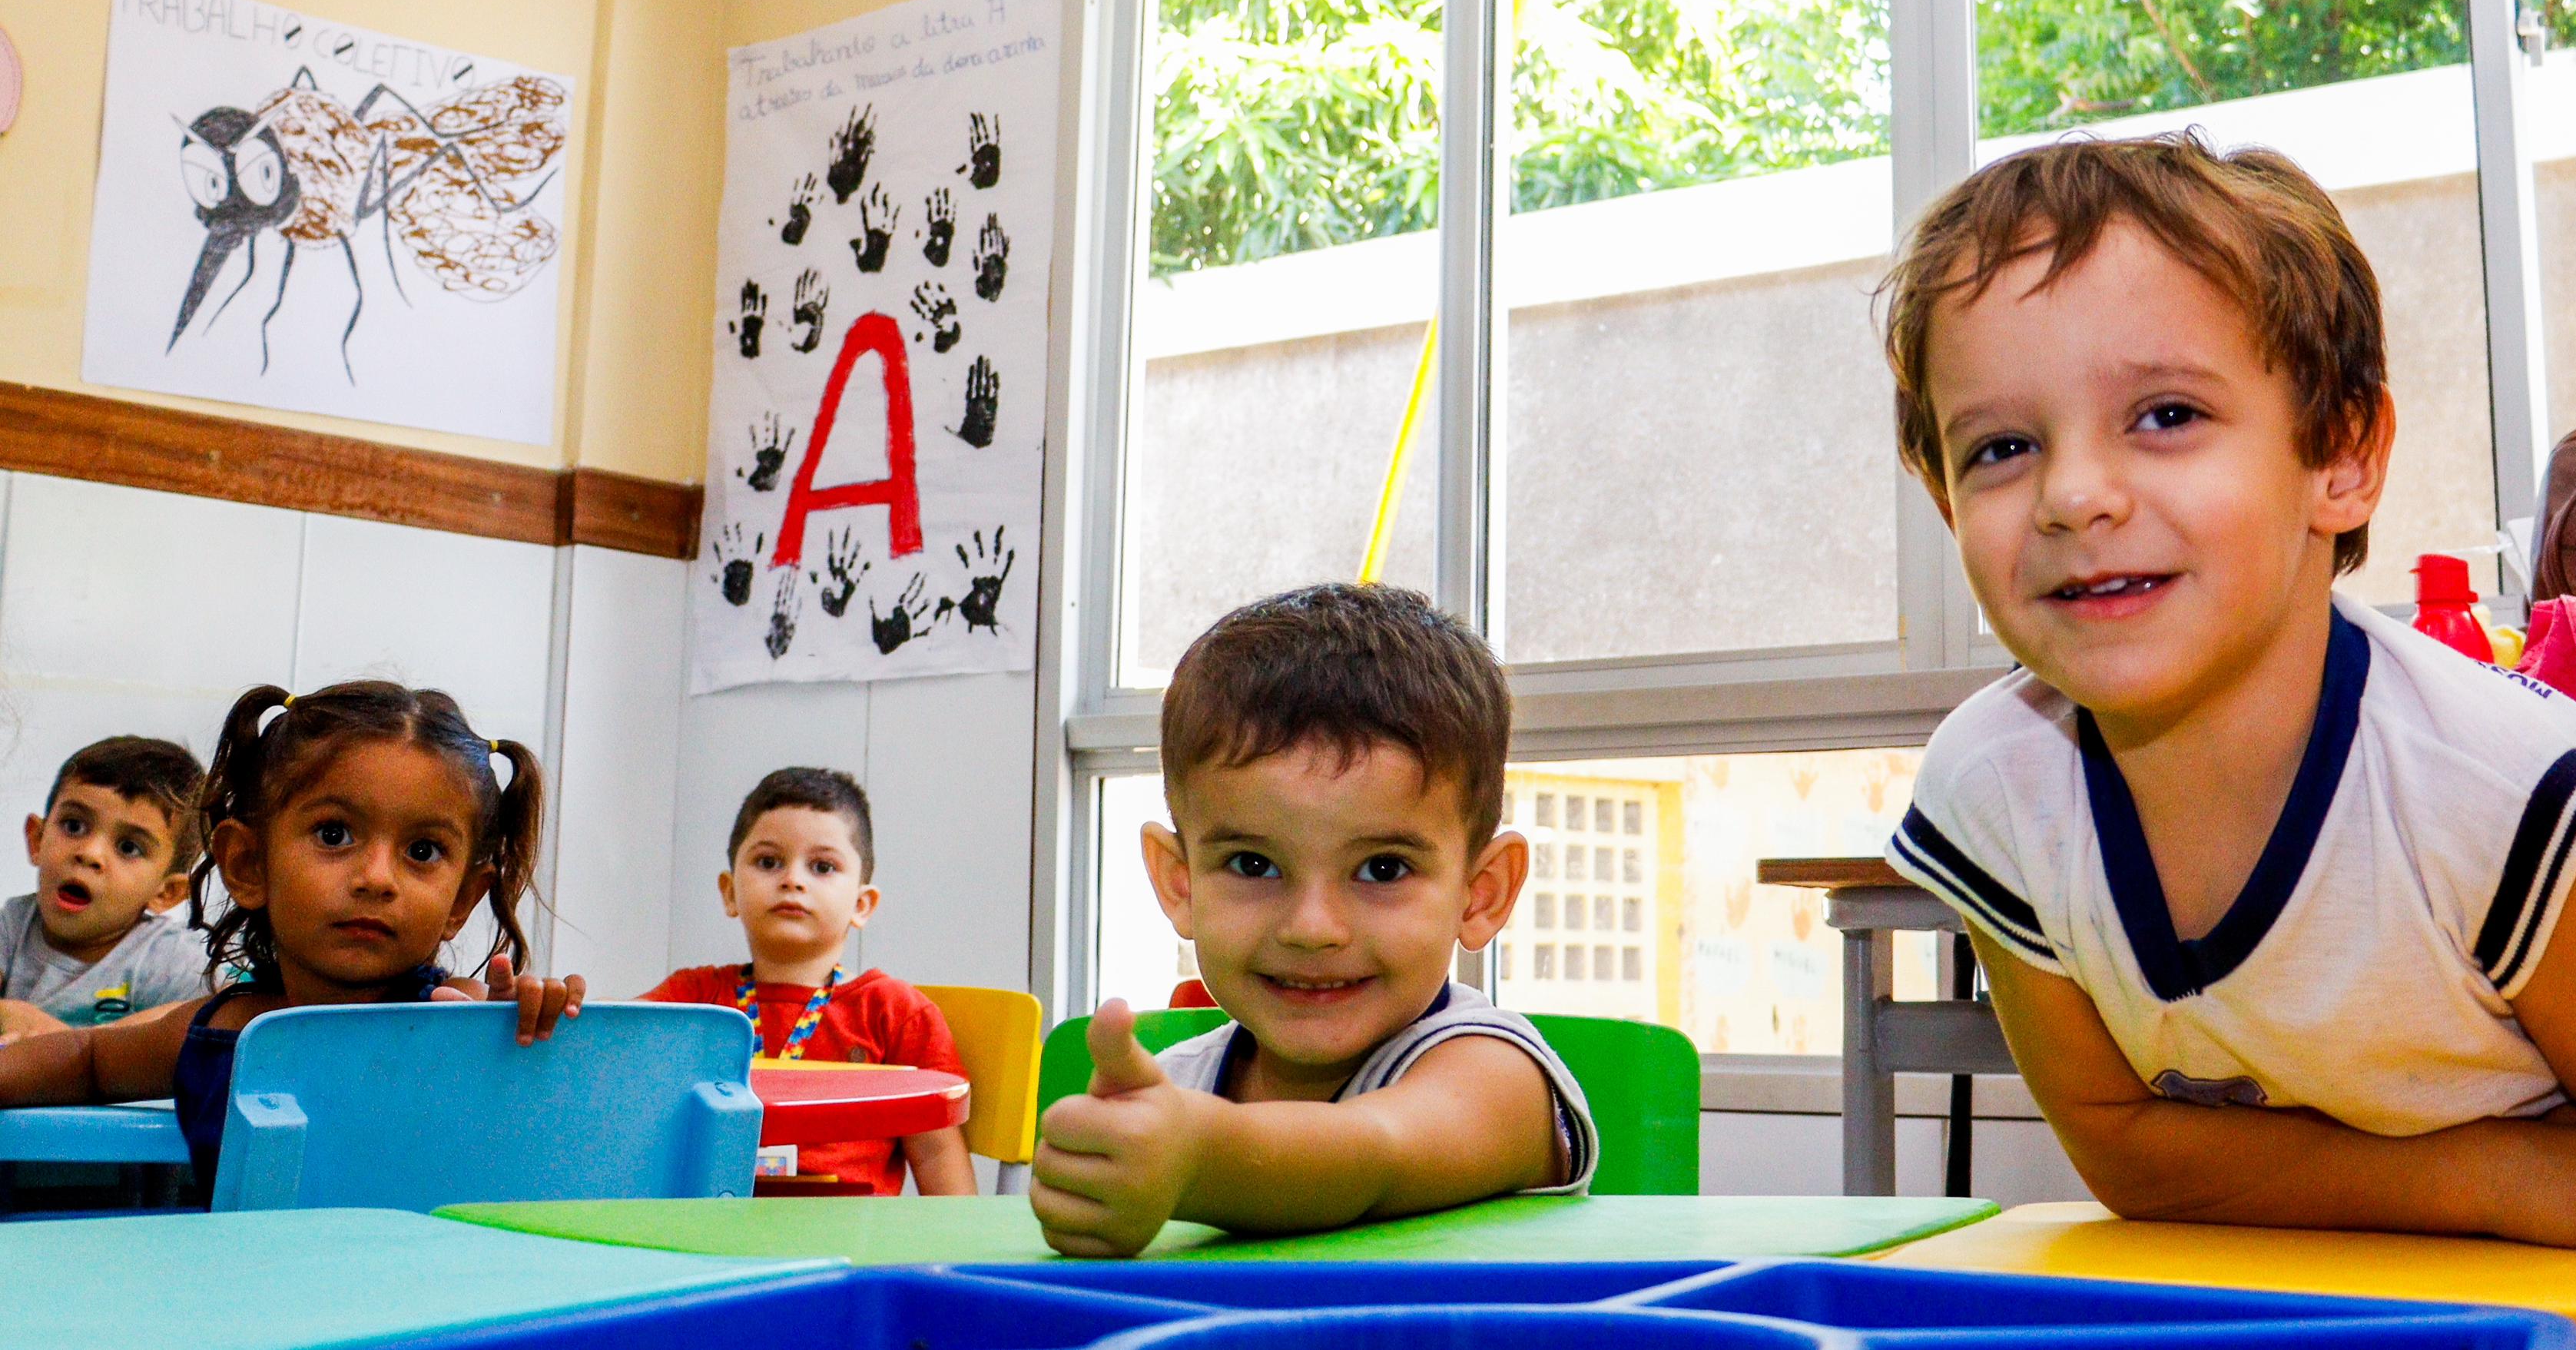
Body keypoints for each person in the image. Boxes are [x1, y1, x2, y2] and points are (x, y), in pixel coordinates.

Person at [1877, 134, 2576, 1260]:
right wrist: (2494, 1177)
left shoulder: (2498, 792)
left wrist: (2510, 1195)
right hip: (2350, 1274)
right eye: (2000, 445)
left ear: (2340, 455)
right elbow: (2125, 1147)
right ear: (1945, 504)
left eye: (2167, 415)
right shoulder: (1994, 786)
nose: (2074, 494)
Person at [1032, 584, 1596, 1257]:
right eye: (1252, 865)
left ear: (1481, 893)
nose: (1312, 927)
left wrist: (1193, 1160)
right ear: (1178, 881)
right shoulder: (1180, 1085)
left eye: (1382, 870)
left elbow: (1374, 1154)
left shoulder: (1493, 1075)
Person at [0, 682, 584, 1194]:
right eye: (335, 834)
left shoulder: (452, 1017)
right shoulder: (221, 1029)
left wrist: (520, 1035)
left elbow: (535, 1131)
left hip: (415, 1308)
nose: (377, 878)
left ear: (461, 900)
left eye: (422, 851)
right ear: (249, 864)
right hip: (247, 1305)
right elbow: (88, 1061)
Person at [643, 767, 975, 1196]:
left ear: (861, 904)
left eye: (822, 866)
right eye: (768, 862)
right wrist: (562, 1006)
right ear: (729, 893)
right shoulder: (694, 999)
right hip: (714, 1238)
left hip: (853, 1249)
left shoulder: (896, 1013)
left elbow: (937, 1155)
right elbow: (612, 1035)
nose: (793, 880)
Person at [1, 735, 211, 1039]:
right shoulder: (12, 926)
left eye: (128, 847)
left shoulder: (169, 960)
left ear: (167, 893)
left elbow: (226, 1014)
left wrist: (87, 1046)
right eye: (74, 826)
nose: (89, 854)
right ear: (37, 839)